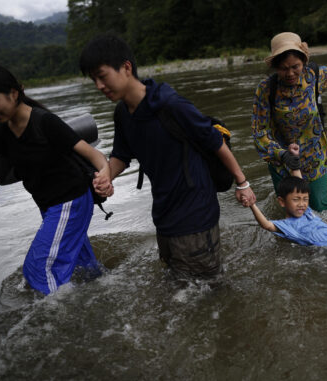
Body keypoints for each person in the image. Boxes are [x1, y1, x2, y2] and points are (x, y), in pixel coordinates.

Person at [79, 34, 256, 280]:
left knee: (207, 289)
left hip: (196, 211)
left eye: (102, 76)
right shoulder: (122, 113)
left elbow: (215, 142)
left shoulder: (170, 105)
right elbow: (121, 155)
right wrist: (106, 176)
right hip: (164, 213)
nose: (99, 85)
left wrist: (242, 183)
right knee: (178, 284)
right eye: (93, 80)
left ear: (126, 67)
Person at [0, 64, 109, 295]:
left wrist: (104, 175)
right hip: (49, 206)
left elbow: (93, 154)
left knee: (39, 271)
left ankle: (63, 325)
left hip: (70, 202)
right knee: (84, 269)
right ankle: (105, 295)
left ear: (13, 93)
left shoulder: (45, 122)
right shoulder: (1, 130)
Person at [251, 32, 327, 212]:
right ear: (275, 67)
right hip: (282, 160)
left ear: (304, 62)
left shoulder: (314, 75)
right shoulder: (267, 89)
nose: (290, 73)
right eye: (283, 68)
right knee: (292, 211)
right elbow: (259, 132)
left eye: (295, 66)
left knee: (321, 207)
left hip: (313, 155)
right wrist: (282, 155)